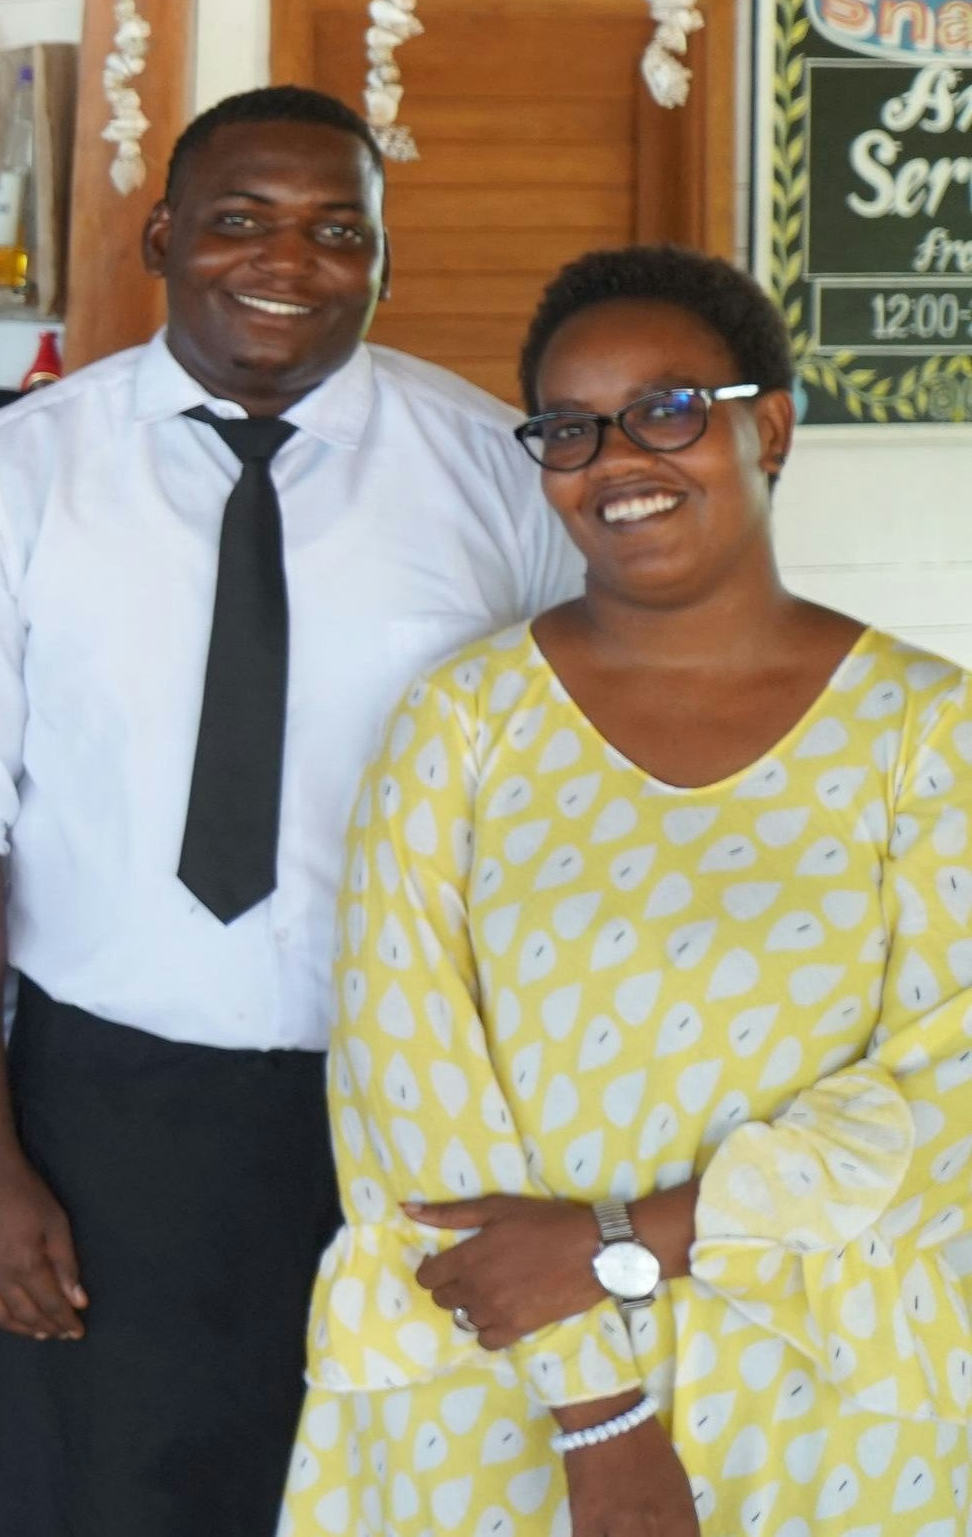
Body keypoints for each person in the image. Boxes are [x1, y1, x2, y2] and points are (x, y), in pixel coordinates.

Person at [0, 85, 578, 1537]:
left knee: (388, 1478)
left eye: (339, 230)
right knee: (111, 1489)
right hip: (108, 1103)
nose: (289, 260)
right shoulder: (18, 475)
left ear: (383, 255)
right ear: (163, 235)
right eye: (243, 221)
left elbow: (572, 804)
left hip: (412, 1096)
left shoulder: (495, 476)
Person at [287, 246, 972, 1536]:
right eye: (570, 429)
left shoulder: (931, 732)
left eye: (667, 409)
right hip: (493, 1367)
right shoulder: (460, 722)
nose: (619, 460)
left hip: (828, 1375)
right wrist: (596, 1408)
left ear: (767, 425)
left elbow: (954, 1083)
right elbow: (407, 1071)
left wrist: (634, 1237)